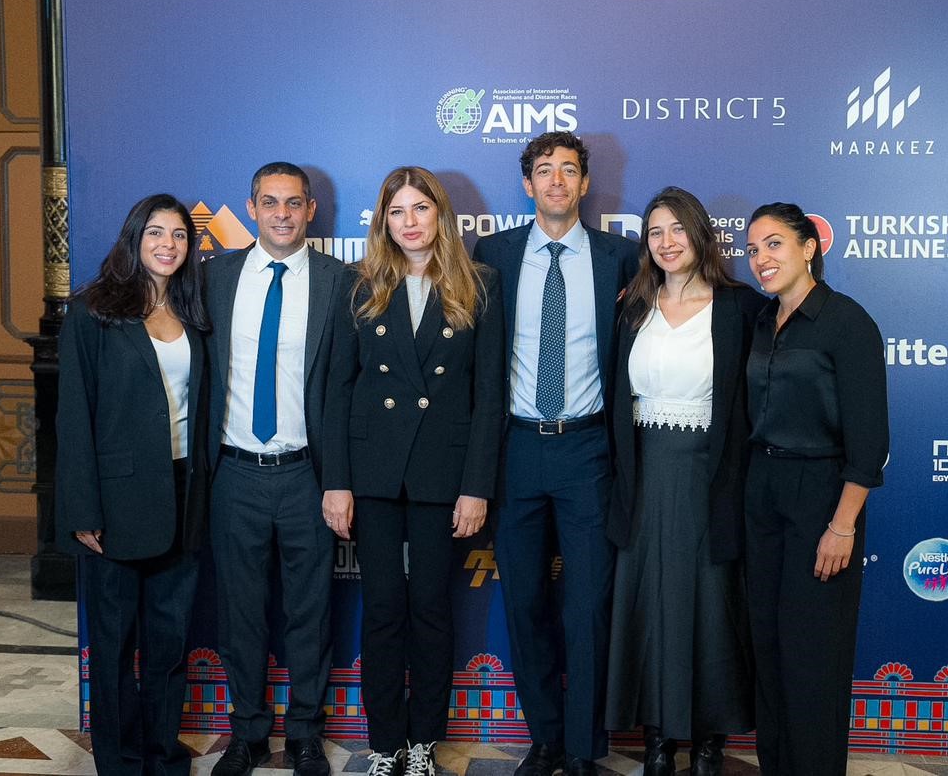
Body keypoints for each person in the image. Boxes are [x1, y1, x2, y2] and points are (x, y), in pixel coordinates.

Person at [322, 167, 504, 776]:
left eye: (420, 208)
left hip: (441, 475)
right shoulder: (358, 284)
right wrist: (336, 481)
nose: (409, 221)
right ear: (383, 221)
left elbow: (488, 395)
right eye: (397, 211)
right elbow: (338, 389)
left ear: (440, 214)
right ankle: (384, 744)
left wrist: (476, 486)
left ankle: (423, 742)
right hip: (373, 473)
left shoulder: (480, 283)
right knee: (382, 611)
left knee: (429, 609)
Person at [473, 132, 637, 776]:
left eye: (569, 170)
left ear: (585, 183)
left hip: (588, 448)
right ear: (528, 184)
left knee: (588, 606)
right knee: (524, 603)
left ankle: (583, 746)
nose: (557, 181)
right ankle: (543, 740)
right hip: (516, 448)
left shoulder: (621, 257)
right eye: (545, 170)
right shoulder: (493, 254)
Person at [604, 188, 763, 776]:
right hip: (643, 478)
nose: (667, 242)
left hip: (711, 478)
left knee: (711, 606)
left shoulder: (740, 306)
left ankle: (708, 740)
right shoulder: (632, 306)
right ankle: (656, 740)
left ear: (700, 234)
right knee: (647, 605)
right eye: (655, 232)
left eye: (677, 229)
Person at [56, 193, 210, 776]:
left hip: (183, 493)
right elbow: (74, 416)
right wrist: (82, 509)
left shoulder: (196, 311)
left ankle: (164, 758)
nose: (168, 244)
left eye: (179, 235)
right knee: (115, 649)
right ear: (134, 239)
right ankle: (120, 764)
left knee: (169, 647)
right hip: (114, 502)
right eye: (156, 233)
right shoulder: (92, 312)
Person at [204, 163, 349, 776]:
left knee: (310, 612)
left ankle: (307, 734)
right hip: (233, 472)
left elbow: (346, 389)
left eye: (294, 203)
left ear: (311, 210)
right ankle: (248, 733)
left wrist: (338, 479)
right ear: (252, 207)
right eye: (270, 202)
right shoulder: (213, 277)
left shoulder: (340, 282)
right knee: (240, 612)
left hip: (305, 475)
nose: (282, 214)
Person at [742, 203, 889, 776]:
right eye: (753, 249)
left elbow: (869, 441)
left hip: (822, 496)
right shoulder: (760, 321)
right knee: (769, 647)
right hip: (762, 491)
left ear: (809, 248)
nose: (761, 258)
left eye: (774, 244)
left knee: (813, 655)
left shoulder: (847, 322)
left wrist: (842, 525)